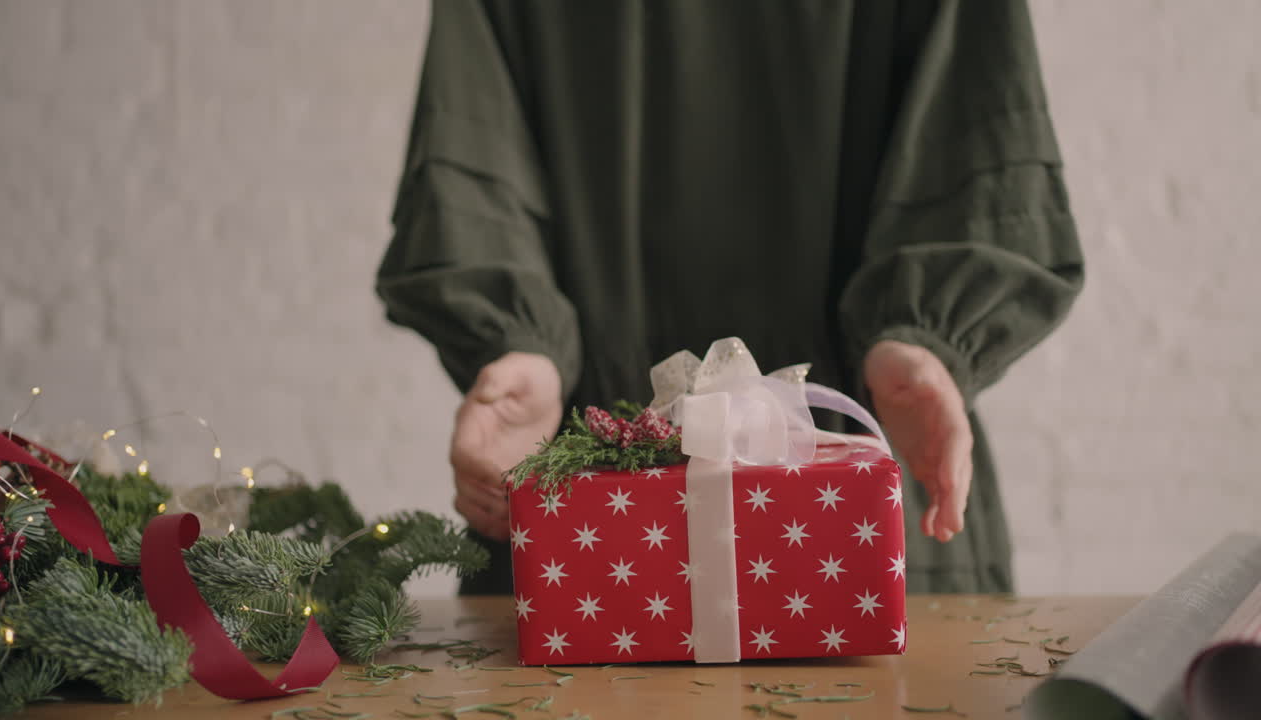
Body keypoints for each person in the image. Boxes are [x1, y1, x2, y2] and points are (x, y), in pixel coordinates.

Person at [376, 0, 1084, 595]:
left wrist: (918, 344)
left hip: (842, 480)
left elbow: (472, 175)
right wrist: (522, 354)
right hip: (594, 498)